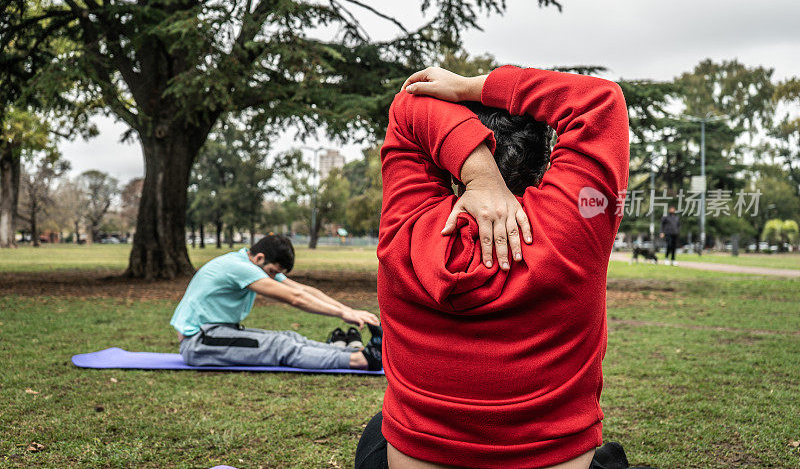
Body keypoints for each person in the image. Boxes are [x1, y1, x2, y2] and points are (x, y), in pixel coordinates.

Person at [366, 65, 629, 468]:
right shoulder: (574, 230)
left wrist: (479, 174)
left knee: (376, 431)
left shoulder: (406, 231)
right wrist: (472, 87)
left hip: (419, 457)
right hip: (553, 458)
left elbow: (407, 104)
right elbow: (599, 100)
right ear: (545, 158)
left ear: (445, 157)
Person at [170, 234, 382, 370]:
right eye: (272, 272)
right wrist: (343, 315)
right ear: (260, 258)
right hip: (198, 342)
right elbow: (295, 298)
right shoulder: (239, 267)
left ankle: (360, 353)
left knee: (290, 337)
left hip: (215, 333)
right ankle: (360, 361)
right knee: (281, 346)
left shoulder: (249, 264)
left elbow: (303, 289)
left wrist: (349, 310)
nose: (273, 277)